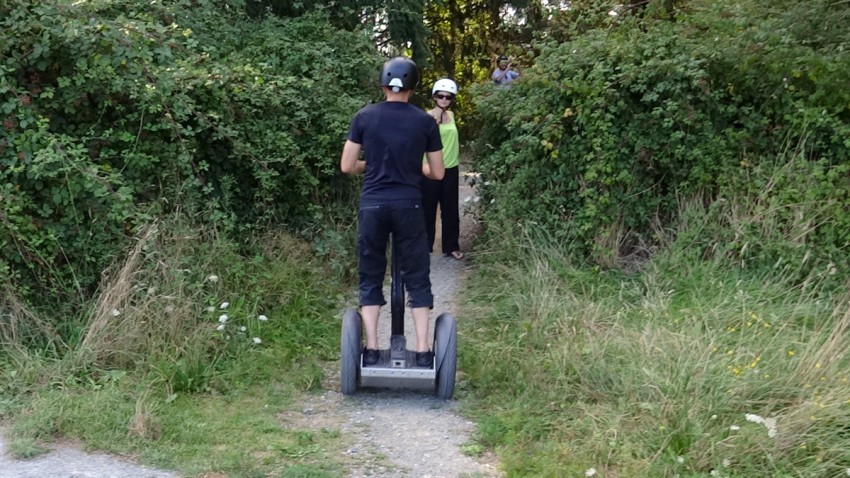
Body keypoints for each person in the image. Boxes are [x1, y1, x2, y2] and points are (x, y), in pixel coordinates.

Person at [339, 57, 446, 368]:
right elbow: (438, 173)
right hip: (408, 205)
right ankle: (424, 351)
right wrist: (415, 167)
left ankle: (371, 349)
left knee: (370, 273)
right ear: (412, 87)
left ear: (383, 84)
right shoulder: (425, 122)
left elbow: (347, 166)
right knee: (417, 276)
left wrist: (370, 165)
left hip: (373, 204)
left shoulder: (364, 116)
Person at [422, 78, 463, 260]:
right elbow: (423, 141)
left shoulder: (452, 116)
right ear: (434, 97)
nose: (444, 100)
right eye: (441, 96)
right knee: (427, 209)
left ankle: (451, 246)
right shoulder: (426, 117)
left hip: (451, 168)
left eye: (449, 97)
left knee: (450, 209)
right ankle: (424, 247)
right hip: (430, 168)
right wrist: (435, 123)